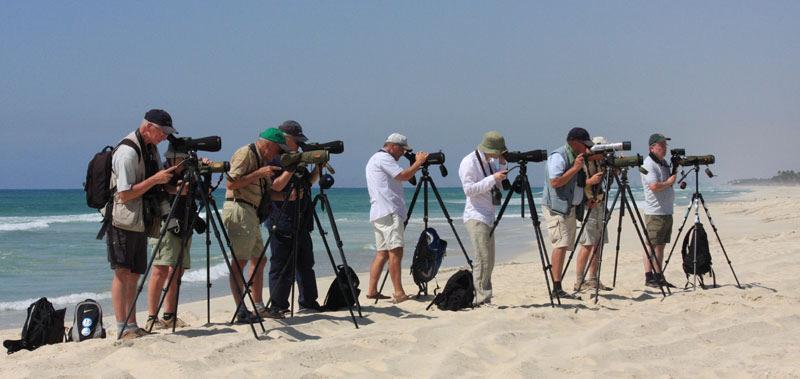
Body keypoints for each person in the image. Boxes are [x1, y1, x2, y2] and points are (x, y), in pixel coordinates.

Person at [107, 109, 179, 340]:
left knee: (135, 273)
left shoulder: (150, 149)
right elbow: (125, 194)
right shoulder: (127, 152)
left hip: (139, 220)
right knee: (122, 272)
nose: (165, 137)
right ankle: (121, 326)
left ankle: (132, 324)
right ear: (148, 127)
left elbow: (154, 185)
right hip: (123, 219)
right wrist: (155, 180)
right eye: (162, 132)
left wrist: (171, 185)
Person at [223, 127, 284, 323]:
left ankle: (257, 305)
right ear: (268, 145)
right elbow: (231, 183)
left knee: (259, 258)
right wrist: (259, 173)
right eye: (277, 150)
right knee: (240, 260)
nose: (277, 154)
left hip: (252, 212)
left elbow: (267, 191)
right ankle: (241, 309)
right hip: (239, 208)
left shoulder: (262, 159)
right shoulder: (245, 153)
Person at [144, 145, 207, 330]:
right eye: (181, 160)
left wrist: (205, 173)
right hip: (165, 225)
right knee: (160, 270)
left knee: (177, 271)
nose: (183, 163)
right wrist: (176, 189)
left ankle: (169, 315)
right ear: (171, 158)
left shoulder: (190, 173)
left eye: (185, 160)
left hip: (185, 225)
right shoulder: (161, 171)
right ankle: (151, 317)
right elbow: (157, 192)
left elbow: (204, 193)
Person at [265, 120, 323, 316]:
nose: (298, 144)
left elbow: (307, 183)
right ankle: (278, 306)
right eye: (295, 141)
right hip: (281, 218)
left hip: (302, 218)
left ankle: (308, 302)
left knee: (306, 263)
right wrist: (291, 167)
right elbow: (275, 186)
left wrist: (317, 169)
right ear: (285, 138)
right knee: (281, 265)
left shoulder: (296, 158)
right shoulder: (274, 159)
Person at [364, 133, 428, 303]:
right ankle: (398, 292)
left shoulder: (374, 158)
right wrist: (418, 162)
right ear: (392, 146)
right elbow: (403, 176)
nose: (402, 154)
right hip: (389, 211)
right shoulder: (384, 159)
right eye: (402, 150)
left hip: (378, 211)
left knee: (382, 253)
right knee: (396, 251)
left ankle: (372, 290)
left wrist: (413, 164)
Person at [543, 127, 594, 299]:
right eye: (584, 144)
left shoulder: (576, 157)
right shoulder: (558, 156)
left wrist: (586, 200)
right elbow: (555, 182)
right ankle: (556, 287)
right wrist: (575, 168)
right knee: (561, 244)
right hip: (557, 208)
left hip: (570, 208)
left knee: (565, 245)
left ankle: (559, 285)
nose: (586, 148)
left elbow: (577, 184)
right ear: (573, 142)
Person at [458, 131, 508, 306]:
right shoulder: (469, 162)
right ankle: (482, 298)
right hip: (476, 215)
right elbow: (469, 190)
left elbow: (499, 185)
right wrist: (493, 178)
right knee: (482, 257)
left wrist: (501, 167)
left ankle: (485, 295)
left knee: (490, 259)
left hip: (488, 215)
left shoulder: (490, 162)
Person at [574, 136, 611, 292]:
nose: (604, 155)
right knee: (587, 244)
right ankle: (579, 281)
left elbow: (607, 184)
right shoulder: (581, 163)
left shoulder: (600, 163)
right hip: (587, 206)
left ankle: (593, 279)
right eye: (602, 151)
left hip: (600, 204)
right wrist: (589, 182)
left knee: (598, 244)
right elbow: (574, 185)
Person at [641, 133, 677, 288]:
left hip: (666, 210)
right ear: (652, 147)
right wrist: (669, 182)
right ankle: (649, 277)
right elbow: (654, 186)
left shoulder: (663, 163)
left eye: (665, 145)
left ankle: (659, 275)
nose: (665, 148)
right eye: (661, 146)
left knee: (661, 245)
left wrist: (675, 168)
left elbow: (669, 182)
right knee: (651, 244)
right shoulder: (648, 164)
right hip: (654, 211)